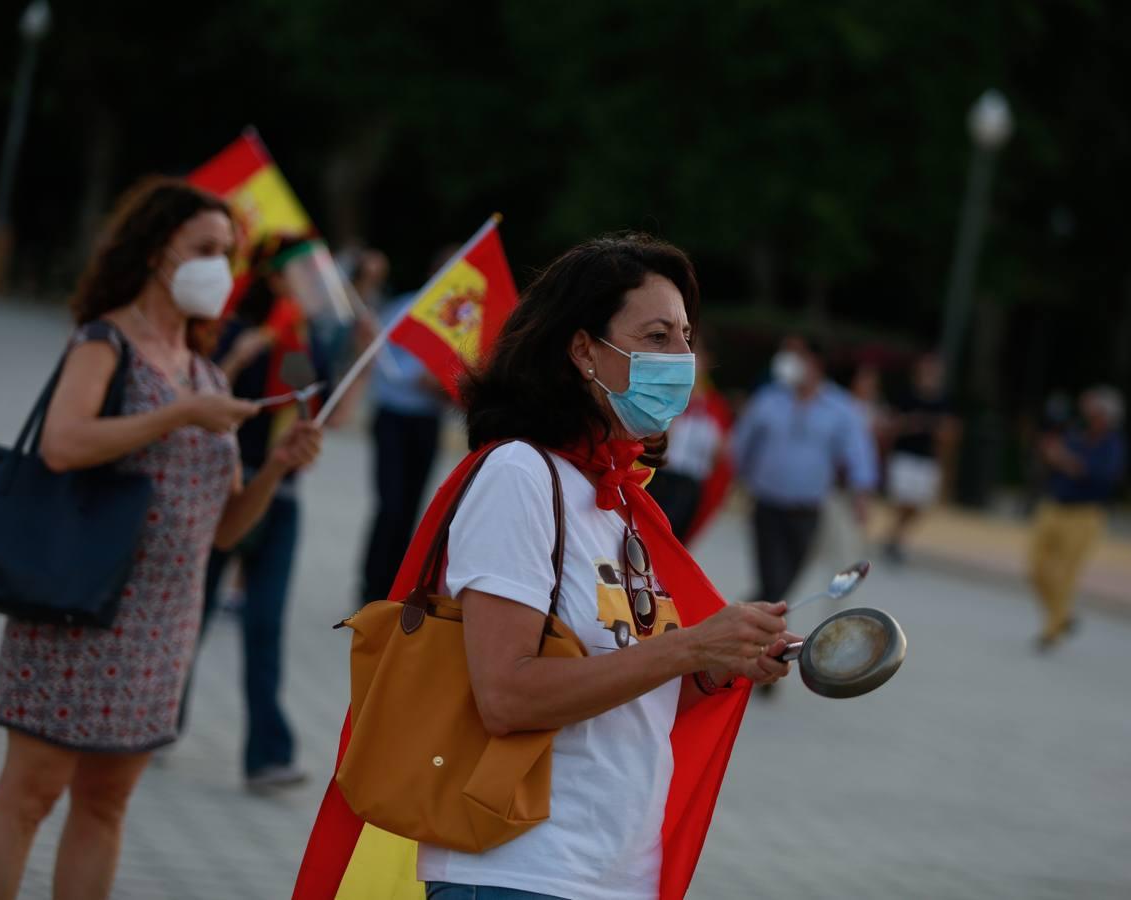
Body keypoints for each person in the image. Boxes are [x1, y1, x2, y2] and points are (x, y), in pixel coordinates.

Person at [304, 233, 796, 899]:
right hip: (519, 868)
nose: (680, 359)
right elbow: (505, 696)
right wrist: (688, 646)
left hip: (614, 871)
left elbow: (626, 684)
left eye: (684, 337)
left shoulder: (621, 498)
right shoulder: (521, 476)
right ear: (583, 349)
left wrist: (718, 662)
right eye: (655, 336)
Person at [0, 178, 321, 900]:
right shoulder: (106, 341)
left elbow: (221, 529)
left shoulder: (204, 367)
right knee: (30, 795)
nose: (221, 267)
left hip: (162, 624)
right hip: (75, 601)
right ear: (159, 252)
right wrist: (181, 414)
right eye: (207, 250)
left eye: (229, 253)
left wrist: (275, 469)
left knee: (107, 804)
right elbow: (63, 445)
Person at [190, 234, 333, 791]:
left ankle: (267, 755)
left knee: (265, 622)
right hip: (229, 487)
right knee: (193, 611)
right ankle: (153, 719)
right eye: (302, 271)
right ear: (274, 278)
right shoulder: (229, 331)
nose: (314, 281)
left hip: (283, 496)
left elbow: (316, 416)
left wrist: (360, 360)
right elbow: (201, 394)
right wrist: (241, 353)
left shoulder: (299, 342)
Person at [732, 335, 879, 609]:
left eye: (796, 354)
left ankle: (744, 619)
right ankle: (753, 628)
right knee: (773, 582)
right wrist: (735, 480)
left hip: (807, 511)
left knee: (783, 584)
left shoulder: (840, 408)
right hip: (767, 505)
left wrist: (861, 497)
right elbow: (742, 443)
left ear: (815, 362)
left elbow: (858, 455)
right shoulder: (769, 398)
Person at [356, 246, 456, 606]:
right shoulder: (406, 308)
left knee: (413, 508)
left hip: (427, 422)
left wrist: (449, 387)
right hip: (394, 419)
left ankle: (394, 587)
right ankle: (371, 587)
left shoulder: (462, 320)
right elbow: (382, 363)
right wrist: (420, 380)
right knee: (391, 504)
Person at [1027, 385, 1127, 651]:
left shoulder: (1112, 444)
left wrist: (1067, 461)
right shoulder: (1075, 433)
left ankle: (1052, 629)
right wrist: (1053, 456)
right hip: (1055, 505)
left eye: (1092, 409)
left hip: (1086, 514)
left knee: (1065, 573)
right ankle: (1063, 616)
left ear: (1105, 415)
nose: (1086, 413)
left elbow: (1102, 476)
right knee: (1036, 567)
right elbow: (1057, 460)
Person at [645, 337, 733, 540]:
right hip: (657, 476)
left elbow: (720, 459)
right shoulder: (661, 394)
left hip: (688, 486)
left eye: (696, 353)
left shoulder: (714, 406)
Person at [882, 353, 957, 564]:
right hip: (905, 454)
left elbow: (950, 432)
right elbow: (891, 424)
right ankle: (895, 539)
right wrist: (911, 423)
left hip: (927, 458)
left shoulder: (943, 400)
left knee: (920, 504)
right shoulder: (906, 396)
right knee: (903, 499)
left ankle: (894, 536)